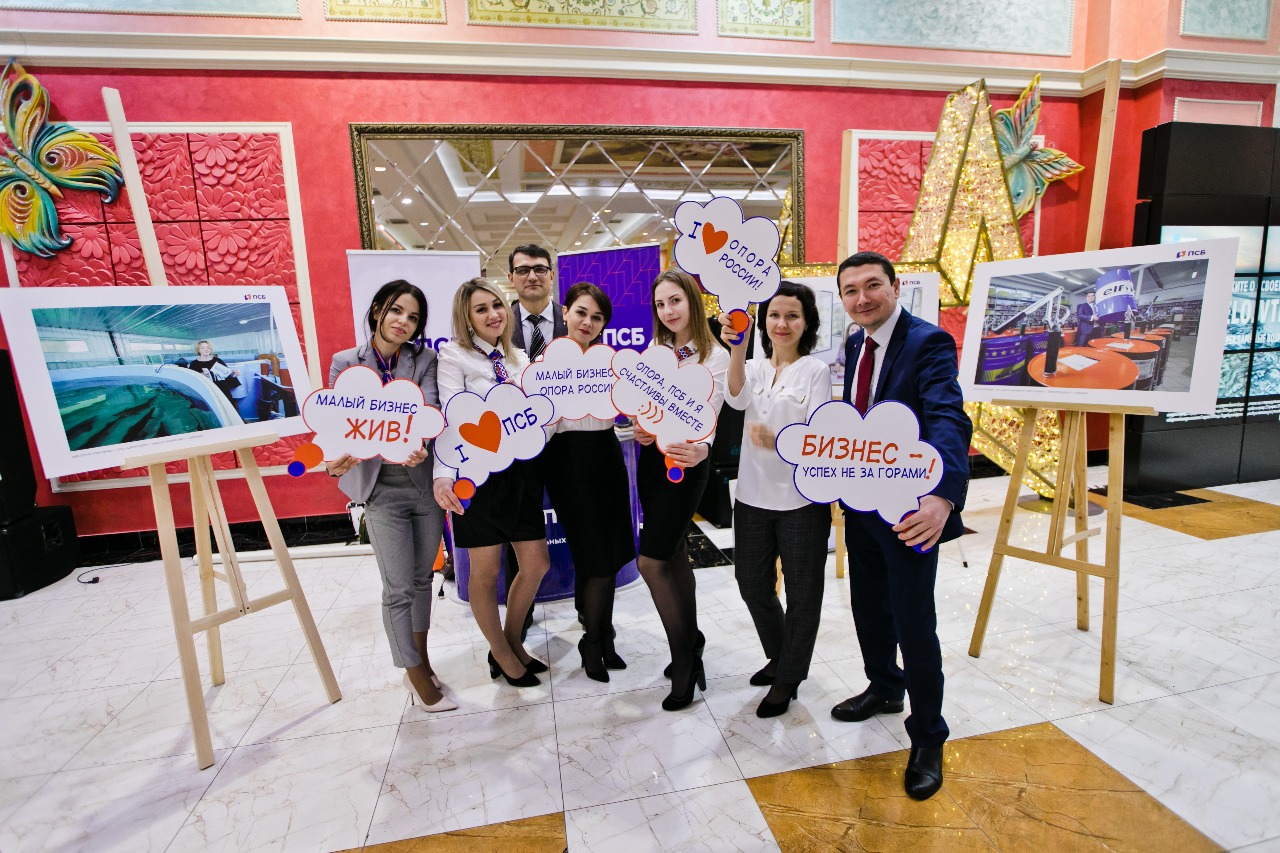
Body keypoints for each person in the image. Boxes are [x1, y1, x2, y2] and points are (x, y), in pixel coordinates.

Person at [829, 251, 972, 801]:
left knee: (914, 622)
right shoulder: (855, 344)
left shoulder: (927, 342)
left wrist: (943, 497)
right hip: (860, 505)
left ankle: (929, 735)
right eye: (850, 290)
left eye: (872, 286)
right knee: (868, 607)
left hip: (910, 512)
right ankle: (886, 688)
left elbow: (948, 417)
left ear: (894, 287)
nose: (862, 298)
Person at [327, 281, 454, 712]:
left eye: (413, 317)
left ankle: (421, 658)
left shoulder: (425, 359)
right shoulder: (346, 362)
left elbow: (429, 408)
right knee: (398, 587)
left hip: (422, 483)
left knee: (422, 580)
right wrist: (335, 460)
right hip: (380, 489)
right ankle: (413, 672)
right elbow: (338, 423)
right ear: (378, 309)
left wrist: (420, 441)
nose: (403, 321)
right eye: (396, 310)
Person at [717, 281, 832, 718]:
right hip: (752, 495)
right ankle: (782, 655)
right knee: (751, 584)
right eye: (775, 315)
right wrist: (737, 348)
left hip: (801, 500)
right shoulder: (754, 367)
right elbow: (735, 399)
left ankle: (788, 677)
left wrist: (779, 441)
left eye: (792, 316)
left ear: (807, 323)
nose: (782, 324)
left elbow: (820, 436)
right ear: (764, 321)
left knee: (803, 593)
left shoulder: (815, 371)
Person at [432, 277, 550, 688]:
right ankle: (501, 653)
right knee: (486, 572)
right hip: (478, 477)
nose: (493, 314)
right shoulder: (453, 356)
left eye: (497, 305)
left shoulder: (518, 358)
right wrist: (443, 475)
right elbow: (450, 419)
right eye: (481, 309)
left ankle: (511, 641)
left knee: (536, 563)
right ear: (467, 318)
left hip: (521, 473)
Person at [634, 269, 728, 711]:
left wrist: (703, 447)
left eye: (675, 300)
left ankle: (685, 660)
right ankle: (693, 643)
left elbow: (714, 412)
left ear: (692, 300)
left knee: (650, 563)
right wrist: (641, 428)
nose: (668, 311)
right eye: (660, 304)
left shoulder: (714, 356)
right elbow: (645, 408)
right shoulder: (655, 350)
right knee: (673, 557)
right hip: (652, 465)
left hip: (686, 467)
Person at [541, 282, 636, 682]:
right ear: (565, 312)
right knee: (594, 557)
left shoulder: (609, 361)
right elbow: (542, 423)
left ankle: (603, 635)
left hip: (607, 456)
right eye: (581, 312)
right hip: (568, 463)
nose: (588, 322)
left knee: (610, 554)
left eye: (597, 317)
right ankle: (593, 642)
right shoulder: (545, 361)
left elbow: (627, 409)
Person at [505, 244, 569, 633]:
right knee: (519, 536)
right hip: (516, 451)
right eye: (523, 270)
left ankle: (591, 615)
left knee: (581, 527)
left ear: (551, 275)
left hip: (568, 445)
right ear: (511, 278)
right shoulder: (496, 323)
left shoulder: (575, 319)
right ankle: (520, 615)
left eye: (540, 269)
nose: (532, 276)